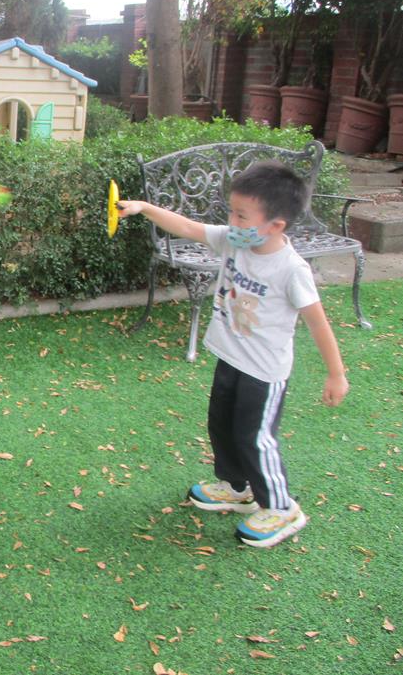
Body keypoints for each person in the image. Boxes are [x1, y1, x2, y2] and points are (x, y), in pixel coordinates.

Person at [118, 161, 348, 547]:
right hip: (231, 359)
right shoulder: (233, 240)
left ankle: (281, 507)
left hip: (264, 373)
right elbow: (188, 228)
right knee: (222, 425)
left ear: (276, 225)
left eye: (242, 215)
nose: (232, 221)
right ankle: (237, 488)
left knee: (255, 438)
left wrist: (336, 374)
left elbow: (318, 323)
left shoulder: (291, 270)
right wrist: (144, 207)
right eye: (232, 211)